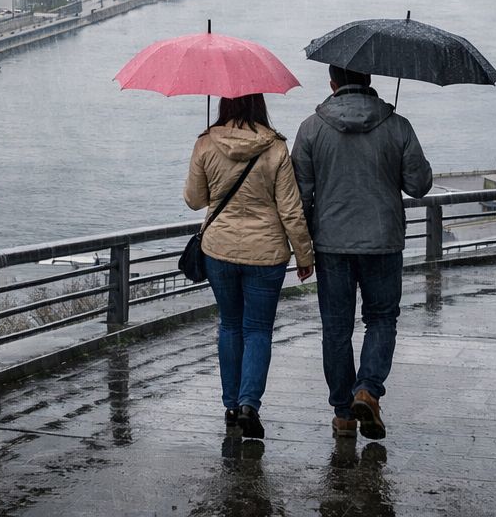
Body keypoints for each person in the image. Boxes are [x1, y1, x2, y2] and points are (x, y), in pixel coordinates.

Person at [292, 65, 432, 441]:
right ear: (370, 80)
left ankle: (343, 415)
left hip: (330, 244)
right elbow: (419, 185)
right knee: (382, 319)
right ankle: (367, 389)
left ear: (332, 83)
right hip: (383, 240)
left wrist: (301, 251)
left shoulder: (310, 128)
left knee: (336, 329)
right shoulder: (397, 125)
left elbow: (300, 198)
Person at [185, 93, 315, 440]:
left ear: (224, 104)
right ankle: (248, 405)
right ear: (260, 105)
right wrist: (305, 255)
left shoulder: (206, 143)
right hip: (266, 253)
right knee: (257, 330)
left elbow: (194, 200)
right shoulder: (275, 148)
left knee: (229, 325)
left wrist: (207, 159)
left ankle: (230, 405)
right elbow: (291, 209)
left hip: (220, 250)